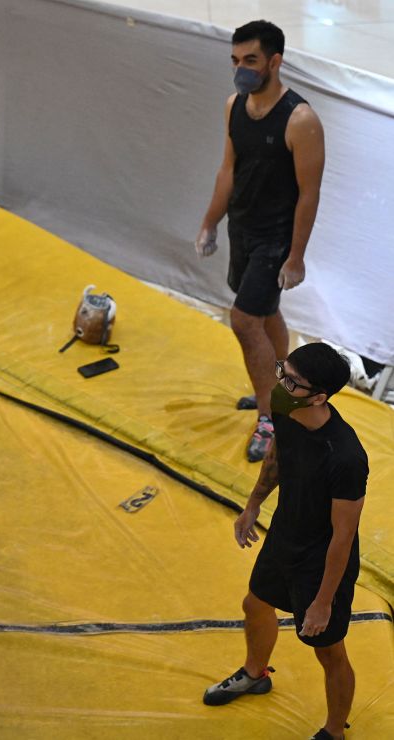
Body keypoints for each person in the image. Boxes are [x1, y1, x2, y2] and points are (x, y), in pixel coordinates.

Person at [203, 343, 367, 740]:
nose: (281, 383)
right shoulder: (287, 408)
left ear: (320, 397)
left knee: (328, 650)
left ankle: (334, 731)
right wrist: (253, 505)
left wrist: (323, 603)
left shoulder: (345, 457)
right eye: (283, 371)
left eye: (292, 381)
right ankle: (255, 675)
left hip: (322, 559)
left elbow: (342, 539)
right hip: (284, 535)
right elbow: (278, 453)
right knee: (255, 604)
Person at [195, 20, 325, 462]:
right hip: (243, 229)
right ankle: (285, 390)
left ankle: (272, 417)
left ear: (274, 61)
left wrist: (297, 257)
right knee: (265, 314)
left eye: (250, 60)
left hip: (275, 238)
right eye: (235, 60)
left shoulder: (300, 119)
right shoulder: (234, 105)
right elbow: (227, 170)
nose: (241, 69)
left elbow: (310, 193)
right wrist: (211, 222)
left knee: (244, 321)